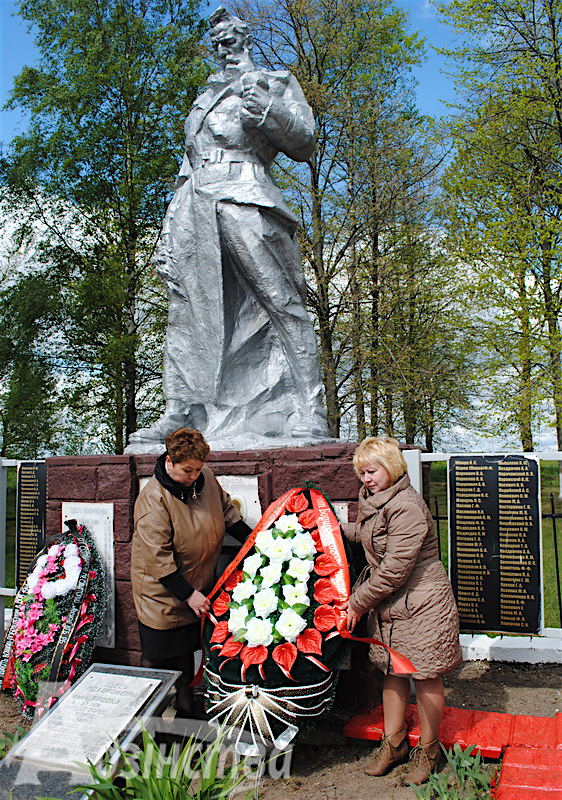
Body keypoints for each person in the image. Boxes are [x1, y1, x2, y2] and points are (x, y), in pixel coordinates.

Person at [127, 6, 327, 452]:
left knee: (279, 299)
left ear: (246, 40)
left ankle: (310, 408)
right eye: (216, 40)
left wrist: (272, 111)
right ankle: (181, 410)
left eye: (230, 38)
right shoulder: (206, 95)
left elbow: (305, 142)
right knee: (185, 310)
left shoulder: (272, 82)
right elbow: (189, 162)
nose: (223, 46)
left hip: (245, 195)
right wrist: (171, 222)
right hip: (194, 205)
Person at [342, 437, 462, 785]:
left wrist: (356, 602)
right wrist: (331, 530)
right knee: (393, 670)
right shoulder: (375, 500)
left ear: (392, 467)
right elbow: (368, 533)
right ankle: (393, 743)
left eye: (372, 470)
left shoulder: (407, 506)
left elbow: (394, 568)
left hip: (423, 603)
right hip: (392, 604)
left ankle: (428, 751)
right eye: (361, 472)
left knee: (425, 674)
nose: (366, 478)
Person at [130, 426, 251, 717]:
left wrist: (256, 542)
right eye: (188, 470)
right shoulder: (152, 501)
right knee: (158, 659)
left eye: (198, 469)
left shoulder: (205, 478)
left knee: (185, 654)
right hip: (161, 595)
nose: (194, 476)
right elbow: (157, 558)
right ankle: (148, 724)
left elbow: (227, 513)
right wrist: (189, 595)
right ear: (169, 462)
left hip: (194, 586)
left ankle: (185, 717)